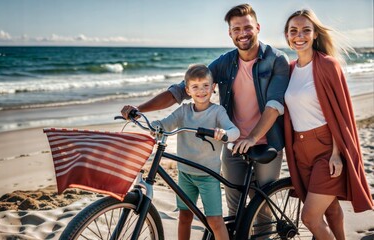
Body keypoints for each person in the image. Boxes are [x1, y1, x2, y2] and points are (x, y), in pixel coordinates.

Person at [121, 3, 290, 216]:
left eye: (247, 27)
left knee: (262, 209)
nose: (242, 33)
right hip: (233, 143)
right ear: (230, 33)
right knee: (234, 208)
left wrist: (253, 137)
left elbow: (274, 105)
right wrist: (139, 109)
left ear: (257, 27)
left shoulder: (276, 59)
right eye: (236, 29)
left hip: (266, 142)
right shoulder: (226, 62)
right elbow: (182, 90)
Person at [283, 9, 374, 240]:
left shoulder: (327, 65)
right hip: (299, 149)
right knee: (331, 208)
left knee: (310, 218)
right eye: (293, 31)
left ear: (315, 34)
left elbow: (340, 114)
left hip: (326, 148)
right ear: (287, 36)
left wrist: (336, 153)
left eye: (306, 30)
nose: (299, 35)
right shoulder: (289, 69)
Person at [150, 64, 240, 240]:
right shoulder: (183, 112)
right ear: (188, 90)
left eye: (206, 85)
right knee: (184, 217)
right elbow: (165, 124)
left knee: (214, 220)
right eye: (195, 87)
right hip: (185, 174)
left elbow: (234, 131)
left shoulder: (217, 112)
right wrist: (155, 126)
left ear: (213, 87)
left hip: (208, 175)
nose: (201, 91)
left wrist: (224, 134)